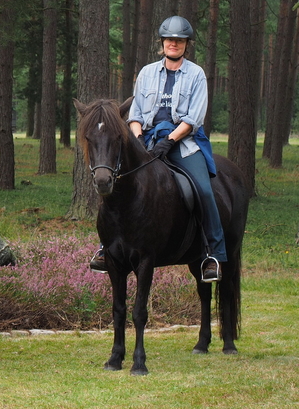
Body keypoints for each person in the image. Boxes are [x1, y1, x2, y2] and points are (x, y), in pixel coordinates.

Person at [89, 16, 225, 283]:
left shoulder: (196, 74)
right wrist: (139, 140)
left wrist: (170, 141)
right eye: (169, 39)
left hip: (183, 143)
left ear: (186, 45)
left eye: (179, 40)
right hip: (146, 140)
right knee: (116, 183)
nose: (173, 44)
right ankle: (107, 248)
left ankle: (213, 254)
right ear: (162, 43)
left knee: (204, 190)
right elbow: (136, 113)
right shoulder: (148, 73)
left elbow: (193, 119)